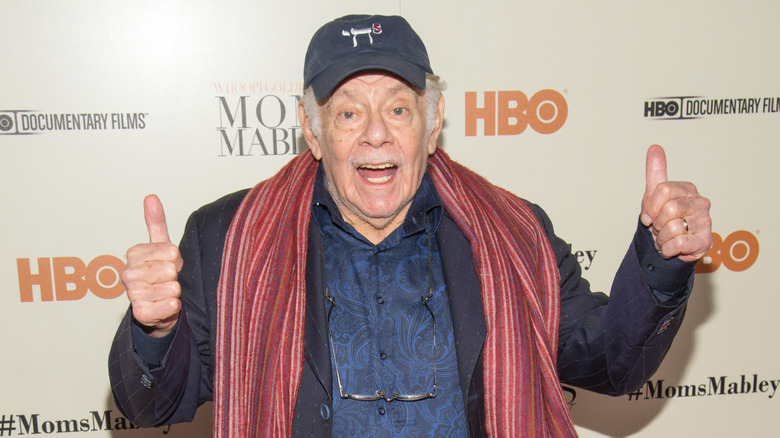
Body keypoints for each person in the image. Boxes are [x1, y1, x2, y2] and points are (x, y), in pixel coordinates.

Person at [108, 14, 712, 438]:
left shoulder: (514, 233)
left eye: (398, 107)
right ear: (312, 130)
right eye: (348, 112)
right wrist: (154, 330)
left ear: (433, 118)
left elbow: (609, 362)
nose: (376, 133)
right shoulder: (226, 238)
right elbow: (153, 403)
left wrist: (661, 260)